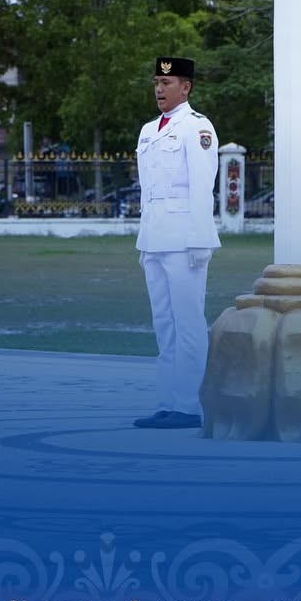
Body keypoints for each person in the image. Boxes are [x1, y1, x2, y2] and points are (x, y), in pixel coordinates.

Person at [133, 55, 220, 429]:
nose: (159, 89)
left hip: (185, 240)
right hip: (154, 238)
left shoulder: (197, 127)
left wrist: (200, 240)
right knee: (164, 324)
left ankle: (188, 405)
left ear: (186, 87)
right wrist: (144, 240)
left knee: (188, 323)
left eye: (166, 83)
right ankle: (168, 402)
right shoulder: (148, 130)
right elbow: (146, 191)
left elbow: (203, 186)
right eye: (156, 82)